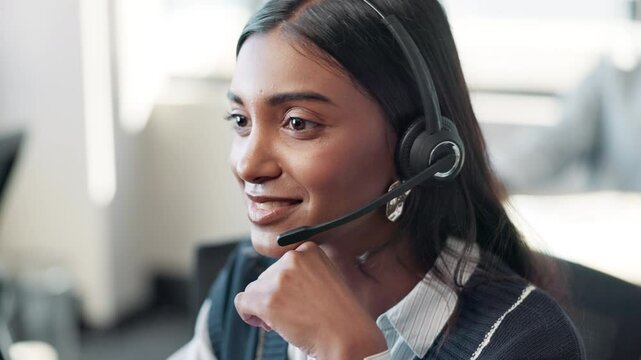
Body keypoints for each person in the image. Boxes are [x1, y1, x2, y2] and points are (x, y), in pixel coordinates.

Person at [170, 0, 585, 359]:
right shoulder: (249, 278)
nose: (247, 165)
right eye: (240, 120)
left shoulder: (525, 343)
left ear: (420, 148)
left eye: (298, 123)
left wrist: (350, 352)